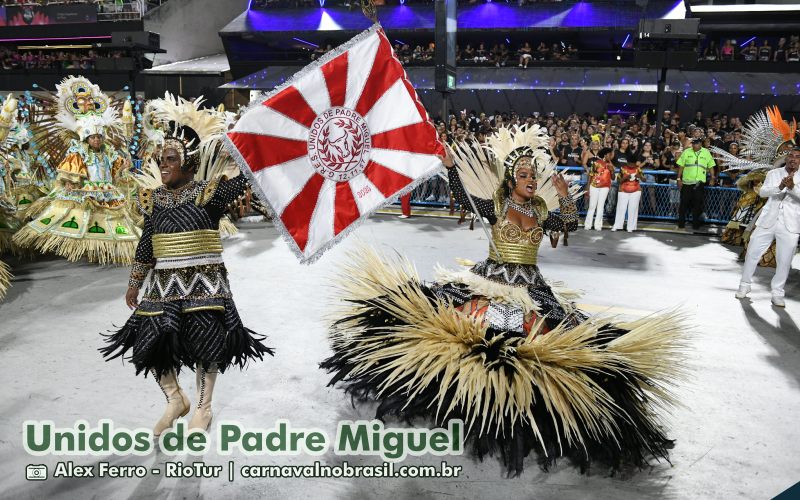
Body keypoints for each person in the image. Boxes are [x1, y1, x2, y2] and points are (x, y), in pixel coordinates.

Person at [321, 125, 687, 475]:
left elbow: (569, 226)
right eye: (524, 174)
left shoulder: (542, 211)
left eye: (534, 174)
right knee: (474, 332)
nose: (530, 179)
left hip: (532, 286)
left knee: (549, 339)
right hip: (491, 279)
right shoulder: (496, 205)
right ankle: (464, 399)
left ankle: (523, 410)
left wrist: (564, 198)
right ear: (511, 180)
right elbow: (464, 197)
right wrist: (450, 168)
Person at [100, 124, 274, 435]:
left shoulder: (210, 193)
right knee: (150, 343)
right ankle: (175, 399)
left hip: (205, 284)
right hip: (164, 286)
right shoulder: (152, 200)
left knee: (206, 344)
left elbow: (250, 177)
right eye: (160, 159)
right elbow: (147, 241)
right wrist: (135, 281)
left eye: (169, 159)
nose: (162, 165)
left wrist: (260, 141)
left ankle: (203, 407)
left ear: (188, 163)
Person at [12, 76, 139, 264]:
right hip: (86, 190)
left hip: (107, 191)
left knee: (108, 221)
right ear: (86, 139)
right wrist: (71, 182)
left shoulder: (109, 152)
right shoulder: (79, 151)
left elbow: (118, 167)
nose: (96, 140)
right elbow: (71, 168)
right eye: (93, 137)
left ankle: (103, 249)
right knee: (87, 220)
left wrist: (124, 165)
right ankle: (90, 249)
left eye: (99, 137)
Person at [736, 147, 800, 307]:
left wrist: (792, 187)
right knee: (752, 253)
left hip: (790, 224)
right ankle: (744, 285)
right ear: (786, 158)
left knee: (784, 260)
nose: (793, 159)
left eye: (797, 157)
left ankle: (777, 293)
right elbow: (763, 193)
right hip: (767, 221)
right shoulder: (773, 173)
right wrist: (779, 187)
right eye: (790, 156)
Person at [676, 138, 716, 230]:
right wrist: (678, 178)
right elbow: (681, 166)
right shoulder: (686, 152)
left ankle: (695, 224)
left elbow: (711, 165)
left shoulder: (706, 152)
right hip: (687, 182)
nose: (694, 145)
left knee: (697, 204)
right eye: (693, 143)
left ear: (700, 144)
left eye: (696, 143)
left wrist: (712, 178)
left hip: (699, 183)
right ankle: (681, 224)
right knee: (683, 204)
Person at [584, 147, 614, 230]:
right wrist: (587, 188)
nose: (611, 156)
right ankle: (588, 225)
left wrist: (612, 170)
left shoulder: (610, 165)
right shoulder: (596, 163)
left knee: (600, 206)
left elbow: (613, 178)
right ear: (605, 155)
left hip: (605, 187)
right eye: (609, 154)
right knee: (592, 206)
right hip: (594, 186)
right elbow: (590, 175)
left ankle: (598, 225)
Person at [612, 162, 644, 232]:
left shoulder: (638, 169)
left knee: (633, 209)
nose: (632, 165)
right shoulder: (623, 168)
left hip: (635, 191)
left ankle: (631, 227)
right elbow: (618, 181)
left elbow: (644, 179)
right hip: (623, 190)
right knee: (621, 208)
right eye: (630, 163)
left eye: (633, 163)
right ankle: (617, 225)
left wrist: (640, 176)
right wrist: (625, 177)